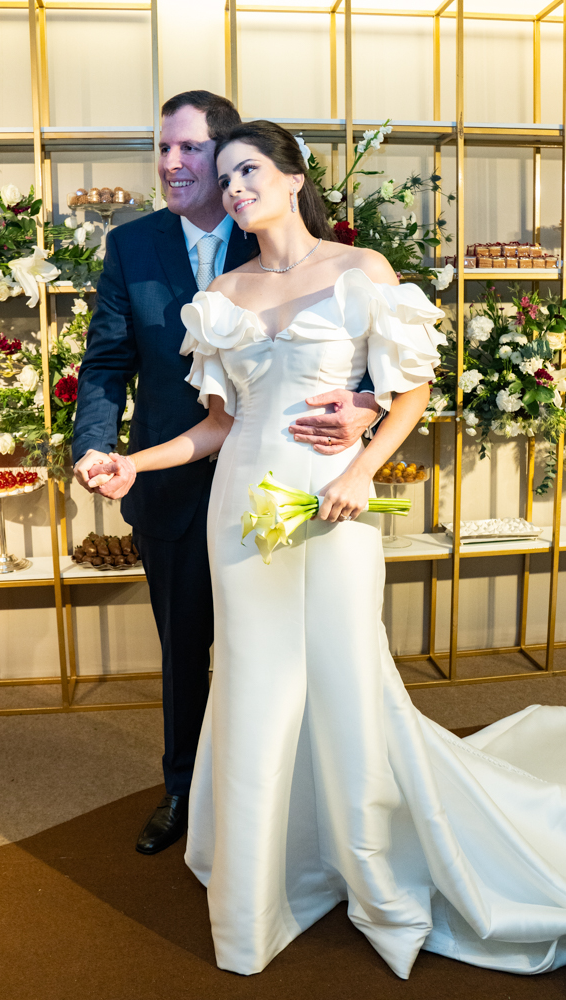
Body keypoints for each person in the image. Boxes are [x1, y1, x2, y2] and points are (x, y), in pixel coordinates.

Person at [86, 120, 566, 980]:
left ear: (293, 176)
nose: (234, 187)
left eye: (248, 170)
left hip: (334, 501)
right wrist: (132, 462)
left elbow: (410, 391)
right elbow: (216, 426)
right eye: (224, 176)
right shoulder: (222, 294)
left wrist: (361, 465)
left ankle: (369, 862)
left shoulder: (360, 270)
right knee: (253, 677)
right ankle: (262, 875)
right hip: (241, 508)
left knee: (345, 670)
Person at [72, 91, 380, 856]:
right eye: (163, 148)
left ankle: (314, 807)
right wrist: (98, 449)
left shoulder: (292, 234)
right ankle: (186, 791)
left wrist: (364, 409)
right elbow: (105, 362)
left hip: (298, 485)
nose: (172, 163)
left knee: (304, 651)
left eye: (190, 149)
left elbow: (376, 362)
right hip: (177, 484)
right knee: (188, 655)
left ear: (236, 156)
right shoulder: (132, 246)